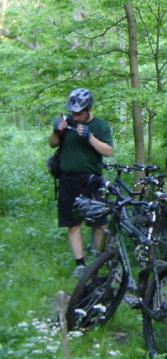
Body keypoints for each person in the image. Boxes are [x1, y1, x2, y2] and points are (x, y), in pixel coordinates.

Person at [48, 88, 113, 277]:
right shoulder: (66, 123)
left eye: (79, 113)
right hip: (68, 181)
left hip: (91, 181)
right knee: (72, 223)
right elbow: (52, 143)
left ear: (88, 109)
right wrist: (55, 131)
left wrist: (89, 137)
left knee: (100, 224)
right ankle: (80, 264)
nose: (75, 116)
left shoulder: (100, 126)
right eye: (73, 112)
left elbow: (108, 151)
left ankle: (98, 259)